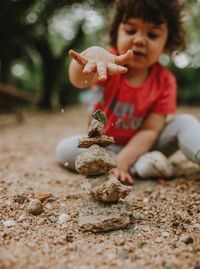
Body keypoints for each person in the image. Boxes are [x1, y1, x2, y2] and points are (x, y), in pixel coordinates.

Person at [56, 0, 200, 184]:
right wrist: (92, 55)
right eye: (130, 31)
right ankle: (142, 167)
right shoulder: (104, 63)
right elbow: (79, 80)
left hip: (145, 145)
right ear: (116, 33)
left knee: (185, 122)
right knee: (64, 149)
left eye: (153, 34)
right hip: (103, 147)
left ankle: (135, 163)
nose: (139, 40)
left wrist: (123, 161)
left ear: (166, 42)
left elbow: (150, 130)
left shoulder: (165, 81)